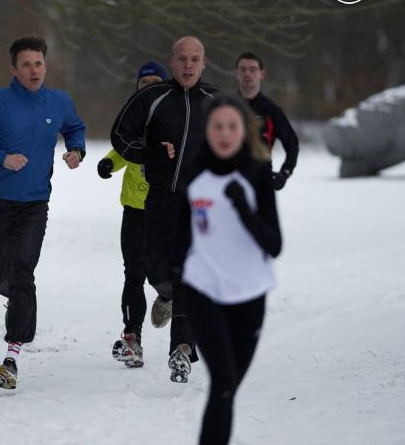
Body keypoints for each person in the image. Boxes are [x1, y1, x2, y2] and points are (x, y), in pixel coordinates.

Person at [0, 36, 86, 389]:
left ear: (47, 66)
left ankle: (12, 357)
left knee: (23, 270)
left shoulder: (58, 102)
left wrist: (77, 150)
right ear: (13, 69)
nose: (34, 70)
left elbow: (75, 127)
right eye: (26, 64)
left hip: (35, 203)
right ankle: (11, 293)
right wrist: (0, 159)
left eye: (39, 63)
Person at [172, 94, 281, 445]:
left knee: (227, 388)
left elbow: (274, 244)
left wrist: (241, 207)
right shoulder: (194, 173)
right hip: (204, 291)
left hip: (250, 293)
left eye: (231, 126)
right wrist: (172, 269)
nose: (224, 133)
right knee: (222, 383)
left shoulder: (257, 172)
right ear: (208, 130)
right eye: (217, 126)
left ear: (243, 131)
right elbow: (179, 231)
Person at [110, 36, 219, 383]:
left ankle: (182, 348)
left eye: (195, 59)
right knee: (156, 269)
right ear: (172, 62)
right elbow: (120, 136)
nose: (188, 65)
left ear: (204, 63)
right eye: (182, 59)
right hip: (158, 199)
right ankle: (165, 294)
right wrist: (149, 152)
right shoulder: (151, 98)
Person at [96, 61, 168, 368]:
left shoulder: (171, 119)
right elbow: (123, 147)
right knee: (133, 273)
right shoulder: (134, 119)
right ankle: (131, 337)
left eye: (155, 81)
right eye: (143, 82)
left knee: (160, 273)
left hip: (164, 211)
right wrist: (109, 164)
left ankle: (167, 297)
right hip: (134, 210)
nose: (148, 85)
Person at [235, 52, 299, 190]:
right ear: (236, 73)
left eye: (253, 69)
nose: (247, 73)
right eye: (243, 69)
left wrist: (284, 173)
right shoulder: (225, 107)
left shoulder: (272, 111)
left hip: (262, 183)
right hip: (229, 181)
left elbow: (292, 144)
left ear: (262, 74)